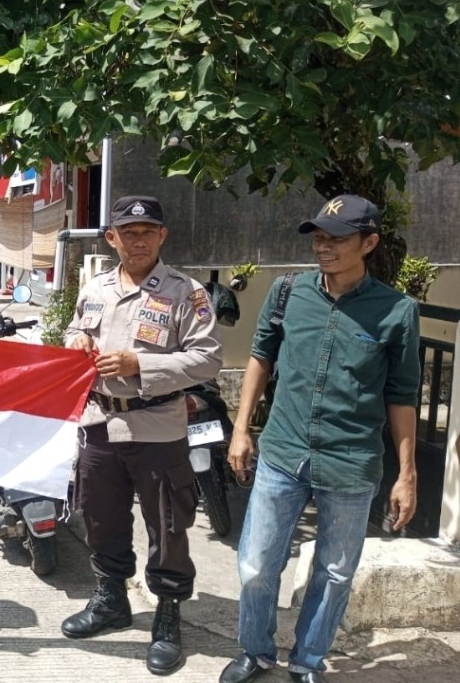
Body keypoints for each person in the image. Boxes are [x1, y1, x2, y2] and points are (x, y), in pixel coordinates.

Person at [219, 194, 420, 683]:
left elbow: (402, 394)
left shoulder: (396, 312)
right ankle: (257, 649)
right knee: (256, 564)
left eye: (338, 239)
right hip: (284, 454)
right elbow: (260, 359)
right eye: (320, 237)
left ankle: (307, 661)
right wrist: (242, 429)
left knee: (334, 572)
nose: (324, 247)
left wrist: (407, 474)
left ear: (369, 243)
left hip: (351, 463)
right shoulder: (289, 292)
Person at [61, 195, 223, 676]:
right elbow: (74, 328)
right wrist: (76, 341)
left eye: (147, 231)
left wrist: (140, 364)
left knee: (168, 524)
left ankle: (168, 615)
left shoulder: (186, 293)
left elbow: (208, 358)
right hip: (98, 424)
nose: (137, 240)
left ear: (161, 236)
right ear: (112, 238)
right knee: (100, 515)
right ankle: (111, 599)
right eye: (127, 233)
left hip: (157, 427)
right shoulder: (94, 289)